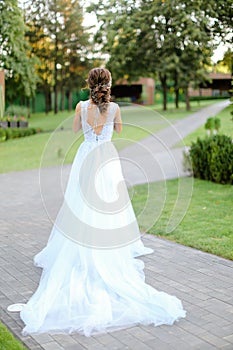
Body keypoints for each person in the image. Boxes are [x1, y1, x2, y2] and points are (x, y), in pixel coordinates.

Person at [9, 68, 186, 337]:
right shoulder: (114, 108)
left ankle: (83, 242)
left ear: (88, 84)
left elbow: (75, 129)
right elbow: (119, 130)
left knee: (82, 202)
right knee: (108, 203)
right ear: (109, 84)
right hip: (107, 157)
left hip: (86, 157)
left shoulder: (81, 106)